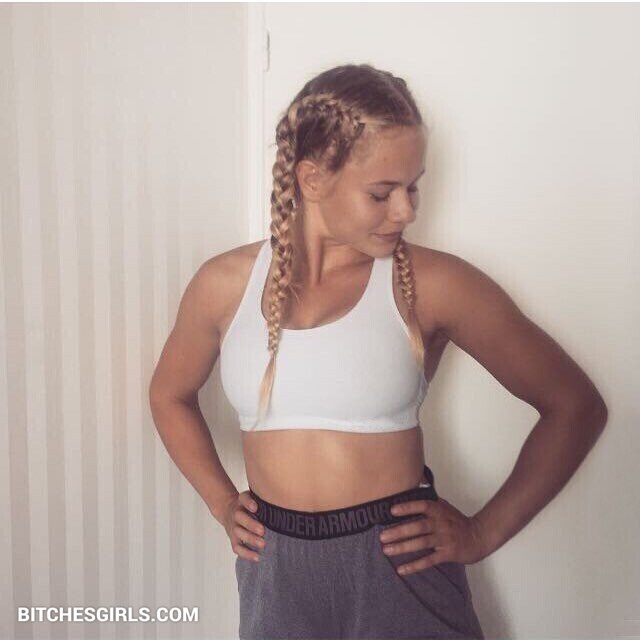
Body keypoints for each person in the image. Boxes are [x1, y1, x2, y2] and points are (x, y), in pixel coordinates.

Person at [149, 63, 608, 640]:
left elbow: (574, 405)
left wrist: (482, 533)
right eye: (381, 192)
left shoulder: (437, 284)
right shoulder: (223, 284)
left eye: (413, 187)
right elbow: (169, 394)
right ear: (312, 179)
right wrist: (221, 502)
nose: (406, 211)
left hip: (398, 565)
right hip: (274, 567)